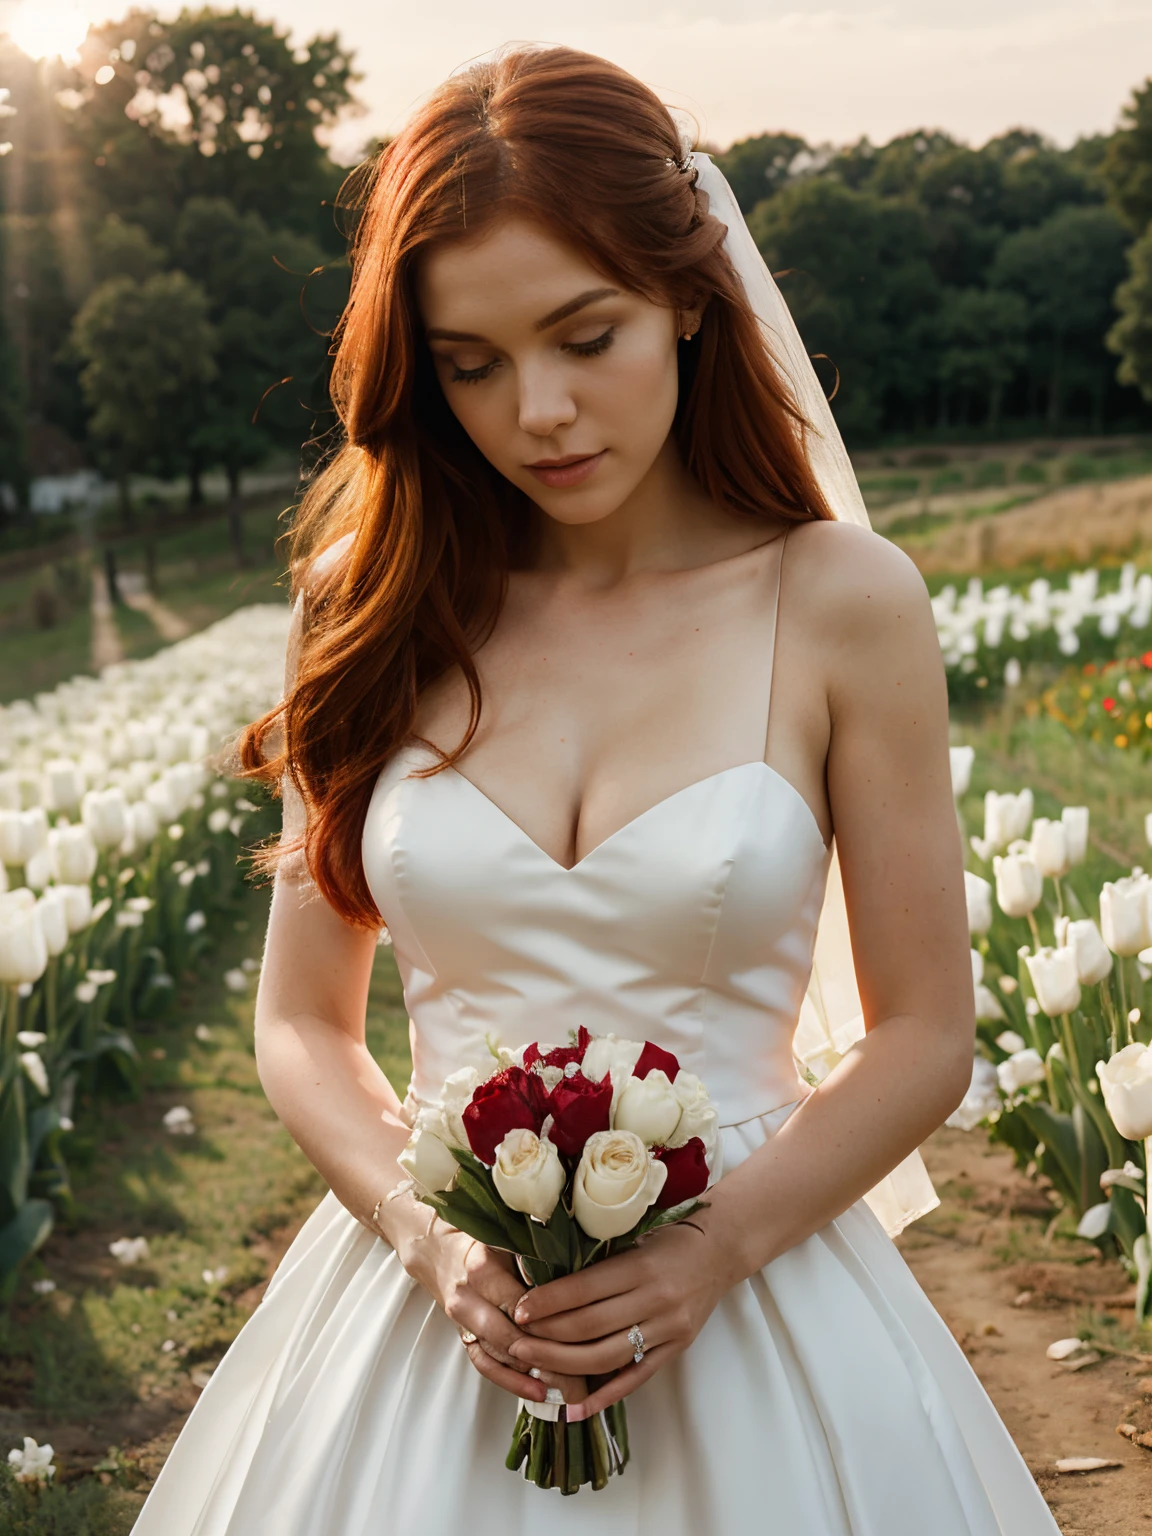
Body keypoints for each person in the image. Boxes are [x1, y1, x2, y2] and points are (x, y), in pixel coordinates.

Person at [131, 41, 1061, 1536]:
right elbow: (302, 1021)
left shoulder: (840, 603)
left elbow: (925, 1036)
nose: (539, 413)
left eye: (585, 336)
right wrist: (433, 1247)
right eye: (472, 364)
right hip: (432, 1311)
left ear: (688, 295)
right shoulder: (369, 605)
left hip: (755, 1296)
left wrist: (709, 1252)